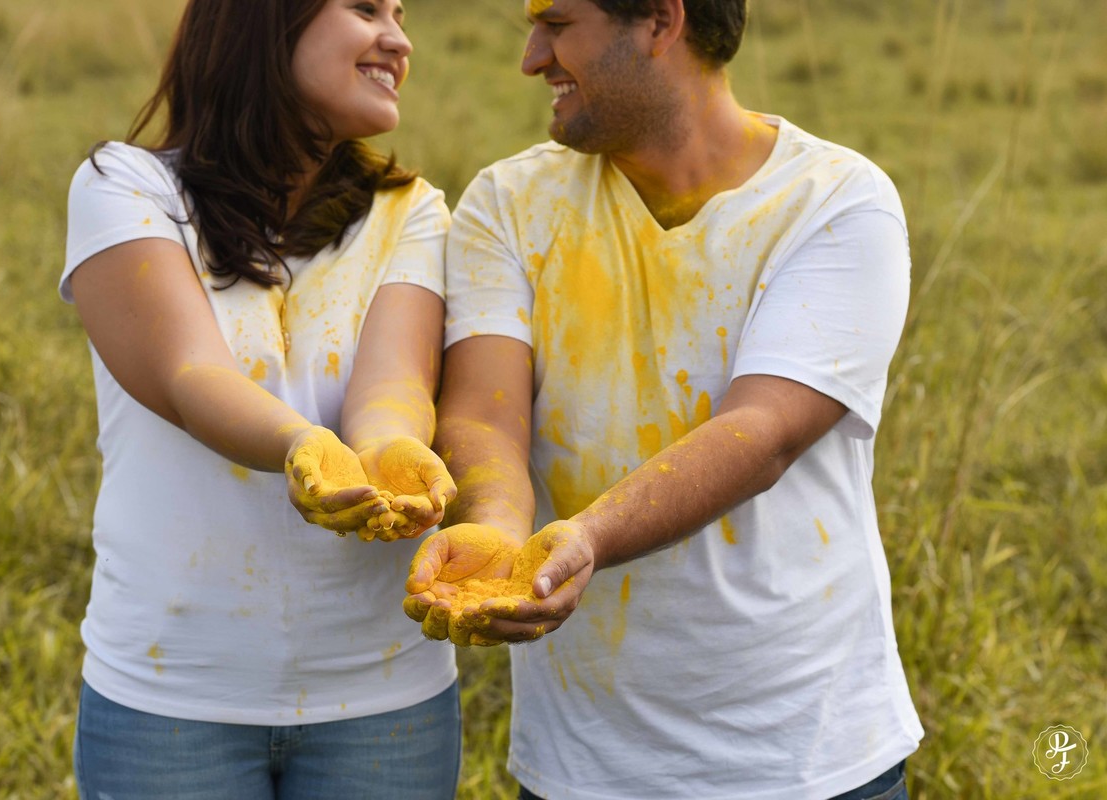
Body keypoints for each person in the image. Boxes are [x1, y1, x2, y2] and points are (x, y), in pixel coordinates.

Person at [404, 1, 924, 798]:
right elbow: (483, 414)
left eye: (558, 24)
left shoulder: (836, 201)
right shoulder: (507, 203)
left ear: (659, 21)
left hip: (809, 756)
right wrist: (500, 534)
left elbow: (764, 430)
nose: (532, 58)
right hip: (585, 763)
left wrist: (586, 538)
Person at [60, 0, 461, 797]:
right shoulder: (127, 188)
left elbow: (394, 383)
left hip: (385, 698)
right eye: (364, 8)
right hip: (171, 699)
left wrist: (392, 449)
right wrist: (300, 447)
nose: (398, 38)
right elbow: (191, 376)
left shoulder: (411, 211)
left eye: (401, 13)